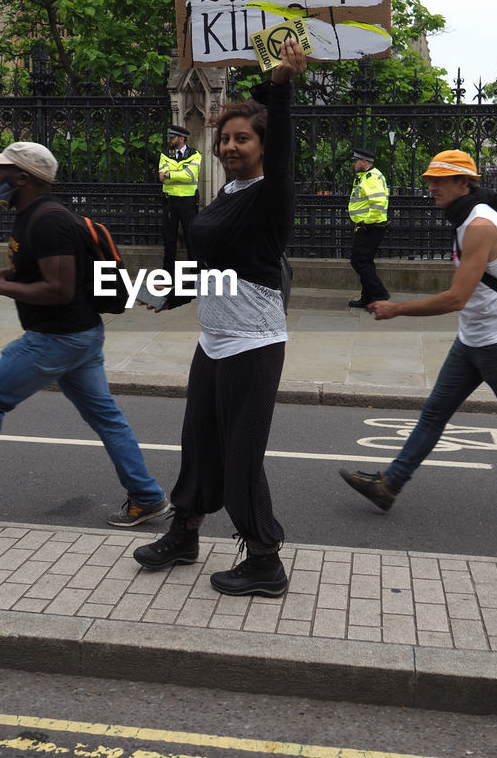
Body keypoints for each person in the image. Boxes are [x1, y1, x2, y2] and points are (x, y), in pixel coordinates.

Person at [0, 141, 170, 532]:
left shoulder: (48, 221)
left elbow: (59, 289)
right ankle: (148, 497)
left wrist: (1, 288)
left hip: (58, 337)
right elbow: (42, 271)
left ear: (22, 178)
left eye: (0, 171)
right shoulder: (32, 215)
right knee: (106, 417)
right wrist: (6, 274)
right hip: (79, 336)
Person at [133, 36, 308, 598]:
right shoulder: (230, 192)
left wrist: (278, 88)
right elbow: (219, 265)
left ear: (263, 145)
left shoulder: (268, 194)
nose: (231, 146)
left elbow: (281, 157)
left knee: (241, 456)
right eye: (225, 137)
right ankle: (184, 533)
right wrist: (158, 290)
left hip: (252, 347)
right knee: (199, 444)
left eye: (244, 138)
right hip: (214, 341)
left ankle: (263, 560)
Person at [338, 149, 497, 533]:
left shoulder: (480, 225)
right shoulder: (468, 218)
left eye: (439, 181)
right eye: (430, 179)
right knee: (434, 413)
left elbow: (456, 298)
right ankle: (390, 485)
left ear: (463, 183)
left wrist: (395, 309)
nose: (430, 187)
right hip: (475, 338)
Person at [346, 145, 390, 309]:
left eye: (354, 161)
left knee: (358, 261)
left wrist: (366, 222)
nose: (352, 164)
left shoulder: (371, 178)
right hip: (368, 227)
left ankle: (379, 294)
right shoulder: (366, 176)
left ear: (363, 161)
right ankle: (368, 297)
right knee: (365, 261)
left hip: (371, 227)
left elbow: (378, 204)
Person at [158, 123, 201, 275]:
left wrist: (170, 173)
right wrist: (178, 172)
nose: (170, 140)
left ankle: (196, 274)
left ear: (182, 139)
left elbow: (190, 175)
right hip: (170, 201)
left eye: (173, 137)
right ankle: (167, 274)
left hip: (188, 201)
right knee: (169, 239)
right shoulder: (165, 154)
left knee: (191, 238)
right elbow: (161, 176)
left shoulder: (195, 154)